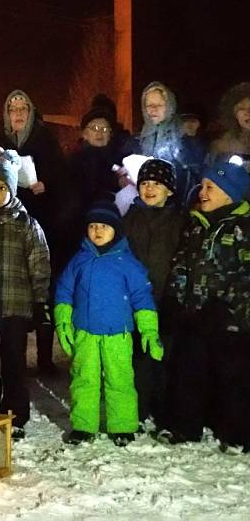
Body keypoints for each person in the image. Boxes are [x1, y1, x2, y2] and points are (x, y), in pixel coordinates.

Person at [54, 198, 161, 446]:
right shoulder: (78, 261)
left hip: (118, 335)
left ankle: (122, 425)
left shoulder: (128, 263)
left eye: (104, 226)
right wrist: (63, 321)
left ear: (116, 230)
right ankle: (83, 425)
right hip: (86, 334)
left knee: (120, 378)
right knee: (84, 379)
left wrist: (148, 330)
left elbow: (142, 297)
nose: (98, 231)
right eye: (93, 226)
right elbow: (63, 291)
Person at [160, 161, 250, 452]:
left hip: (230, 319)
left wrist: (229, 305)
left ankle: (236, 433)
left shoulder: (243, 229)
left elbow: (245, 275)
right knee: (189, 372)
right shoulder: (197, 224)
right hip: (195, 315)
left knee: (232, 378)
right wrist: (176, 299)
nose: (203, 192)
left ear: (229, 192)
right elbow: (182, 265)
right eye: (202, 186)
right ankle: (185, 427)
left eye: (210, 187)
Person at [0, 89, 72, 375]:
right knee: (7, 289)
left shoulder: (46, 140)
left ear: (31, 112)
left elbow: (61, 176)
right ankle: (0, 356)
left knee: (40, 288)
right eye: (13, 109)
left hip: (40, 220)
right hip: (4, 225)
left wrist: (46, 184)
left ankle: (45, 357)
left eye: (23, 108)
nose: (18, 114)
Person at [0, 150, 50, 438]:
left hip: (16, 307)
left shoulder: (27, 224)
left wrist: (40, 300)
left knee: (14, 363)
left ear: (12, 189)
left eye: (2, 187)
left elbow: (39, 264)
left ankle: (14, 414)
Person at [122, 159, 185, 428]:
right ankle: (138, 407)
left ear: (169, 189)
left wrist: (176, 296)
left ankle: (163, 410)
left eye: (156, 184)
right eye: (145, 183)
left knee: (164, 357)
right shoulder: (129, 219)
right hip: (136, 302)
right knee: (138, 357)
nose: (149, 189)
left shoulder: (180, 222)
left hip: (165, 299)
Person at [136, 81, 199, 202]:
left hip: (177, 203)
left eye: (159, 105)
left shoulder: (184, 139)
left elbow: (193, 174)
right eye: (149, 105)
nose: (153, 109)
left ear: (169, 106)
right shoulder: (139, 140)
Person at [68, 105, 124, 216]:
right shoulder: (74, 161)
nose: (100, 133)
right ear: (84, 134)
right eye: (95, 128)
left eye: (104, 129)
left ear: (110, 134)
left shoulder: (120, 158)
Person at [209, 82, 250, 171]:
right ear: (234, 114)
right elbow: (214, 174)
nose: (247, 113)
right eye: (241, 108)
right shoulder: (221, 147)